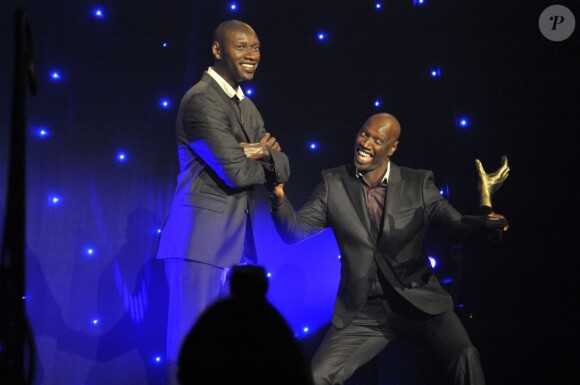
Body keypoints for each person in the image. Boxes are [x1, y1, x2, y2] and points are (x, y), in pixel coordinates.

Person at [269, 113, 508, 385]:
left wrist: (486, 208)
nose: (366, 143)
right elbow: (294, 232)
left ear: (392, 148)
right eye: (364, 133)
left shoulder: (418, 183)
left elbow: (459, 228)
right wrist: (279, 199)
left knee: (465, 354)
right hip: (365, 310)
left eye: (377, 139)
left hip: (420, 302)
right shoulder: (332, 183)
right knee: (317, 376)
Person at [155, 20, 290, 385]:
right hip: (200, 242)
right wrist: (261, 155)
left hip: (234, 247)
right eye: (242, 46)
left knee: (228, 355)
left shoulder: (246, 107)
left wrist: (258, 153)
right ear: (217, 51)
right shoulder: (201, 100)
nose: (252, 55)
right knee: (187, 350)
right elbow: (237, 173)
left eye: (257, 47)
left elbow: (284, 166)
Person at [177, 265, 314, 385]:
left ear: (233, 284)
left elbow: (188, 362)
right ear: (264, 285)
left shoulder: (214, 316)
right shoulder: (274, 321)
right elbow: (296, 368)